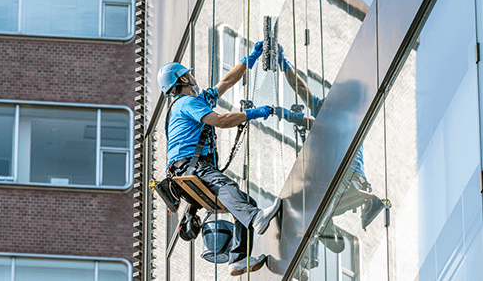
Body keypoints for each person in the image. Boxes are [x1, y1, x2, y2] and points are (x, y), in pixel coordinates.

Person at [157, 41, 282, 277]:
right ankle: (255, 218)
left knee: (245, 201)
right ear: (180, 80)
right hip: (190, 167)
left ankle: (238, 259)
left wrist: (249, 60)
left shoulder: (193, 101)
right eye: (188, 75)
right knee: (226, 186)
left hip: (185, 169)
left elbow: (225, 83)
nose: (192, 77)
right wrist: (252, 114)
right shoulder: (187, 103)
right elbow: (221, 121)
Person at [273, 45, 384, 254]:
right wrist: (283, 63)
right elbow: (302, 89)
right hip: (333, 180)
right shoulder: (330, 110)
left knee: (312, 211)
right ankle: (326, 233)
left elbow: (322, 127)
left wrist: (291, 116)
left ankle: (313, 241)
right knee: (288, 206)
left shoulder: (348, 119)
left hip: (347, 179)